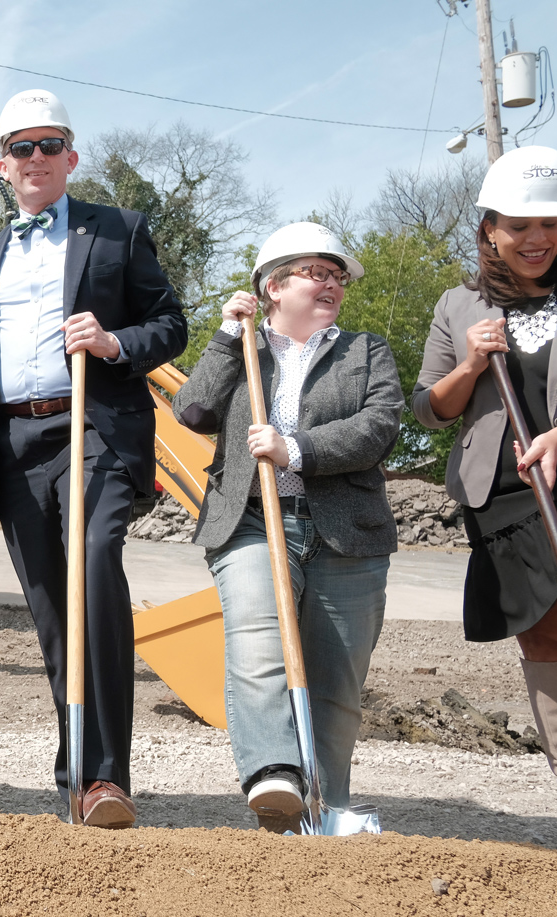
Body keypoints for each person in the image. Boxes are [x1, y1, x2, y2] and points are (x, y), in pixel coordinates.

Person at [0, 90, 186, 827]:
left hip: (96, 422)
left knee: (95, 568)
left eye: (48, 144)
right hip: (17, 443)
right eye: (21, 148)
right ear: (4, 164)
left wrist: (114, 342)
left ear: (71, 156)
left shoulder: (117, 232)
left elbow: (171, 324)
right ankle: (74, 769)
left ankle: (106, 778)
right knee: (51, 610)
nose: (35, 158)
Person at [172, 223, 402, 830]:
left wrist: (294, 449)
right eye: (314, 272)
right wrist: (226, 336)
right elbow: (192, 410)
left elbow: (380, 427)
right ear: (273, 286)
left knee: (337, 674)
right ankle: (275, 778)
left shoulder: (366, 351)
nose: (331, 283)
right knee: (258, 642)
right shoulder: (242, 344)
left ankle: (327, 805)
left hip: (345, 530)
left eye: (337, 276)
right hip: (249, 520)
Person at [413, 145, 557, 842]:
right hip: (506, 497)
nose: (537, 239)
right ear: (488, 231)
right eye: (519, 225)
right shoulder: (458, 304)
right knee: (547, 635)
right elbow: (431, 409)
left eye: (551, 223)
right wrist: (474, 362)